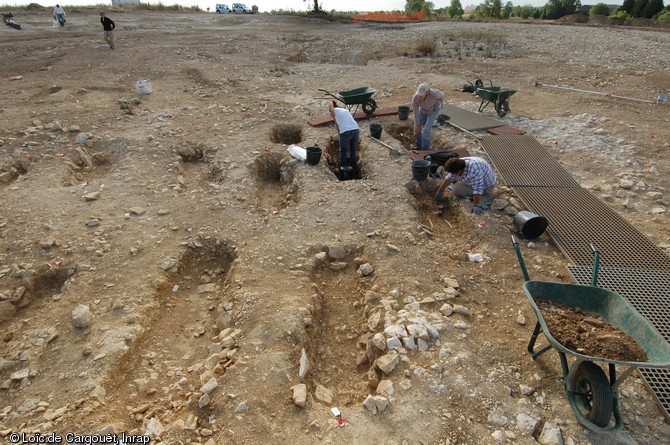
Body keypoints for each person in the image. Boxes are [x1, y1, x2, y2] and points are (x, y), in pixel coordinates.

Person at [412, 82, 444, 151]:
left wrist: (441, 105)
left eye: (421, 95)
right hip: (423, 110)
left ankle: (425, 150)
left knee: (426, 131)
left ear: (427, 92)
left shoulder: (434, 94)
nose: (419, 97)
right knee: (416, 127)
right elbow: (416, 111)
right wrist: (418, 125)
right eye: (419, 95)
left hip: (434, 110)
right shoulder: (415, 98)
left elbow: (442, 96)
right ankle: (419, 146)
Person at [329, 100, 360, 171]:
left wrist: (331, 110)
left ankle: (343, 168)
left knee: (343, 151)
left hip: (346, 131)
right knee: (353, 150)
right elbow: (337, 125)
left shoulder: (335, 110)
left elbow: (330, 102)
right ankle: (353, 168)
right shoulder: (344, 111)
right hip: (356, 130)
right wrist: (340, 134)